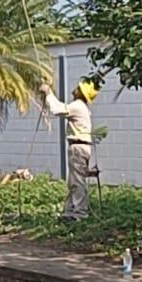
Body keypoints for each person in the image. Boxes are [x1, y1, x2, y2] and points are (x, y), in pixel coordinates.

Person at [45, 79, 98, 221]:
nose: (75, 88)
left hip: (78, 146)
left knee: (77, 180)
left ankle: (80, 212)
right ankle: (70, 211)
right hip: (82, 146)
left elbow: (57, 109)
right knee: (74, 180)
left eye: (78, 88)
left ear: (81, 93)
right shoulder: (82, 107)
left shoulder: (78, 105)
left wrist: (48, 93)